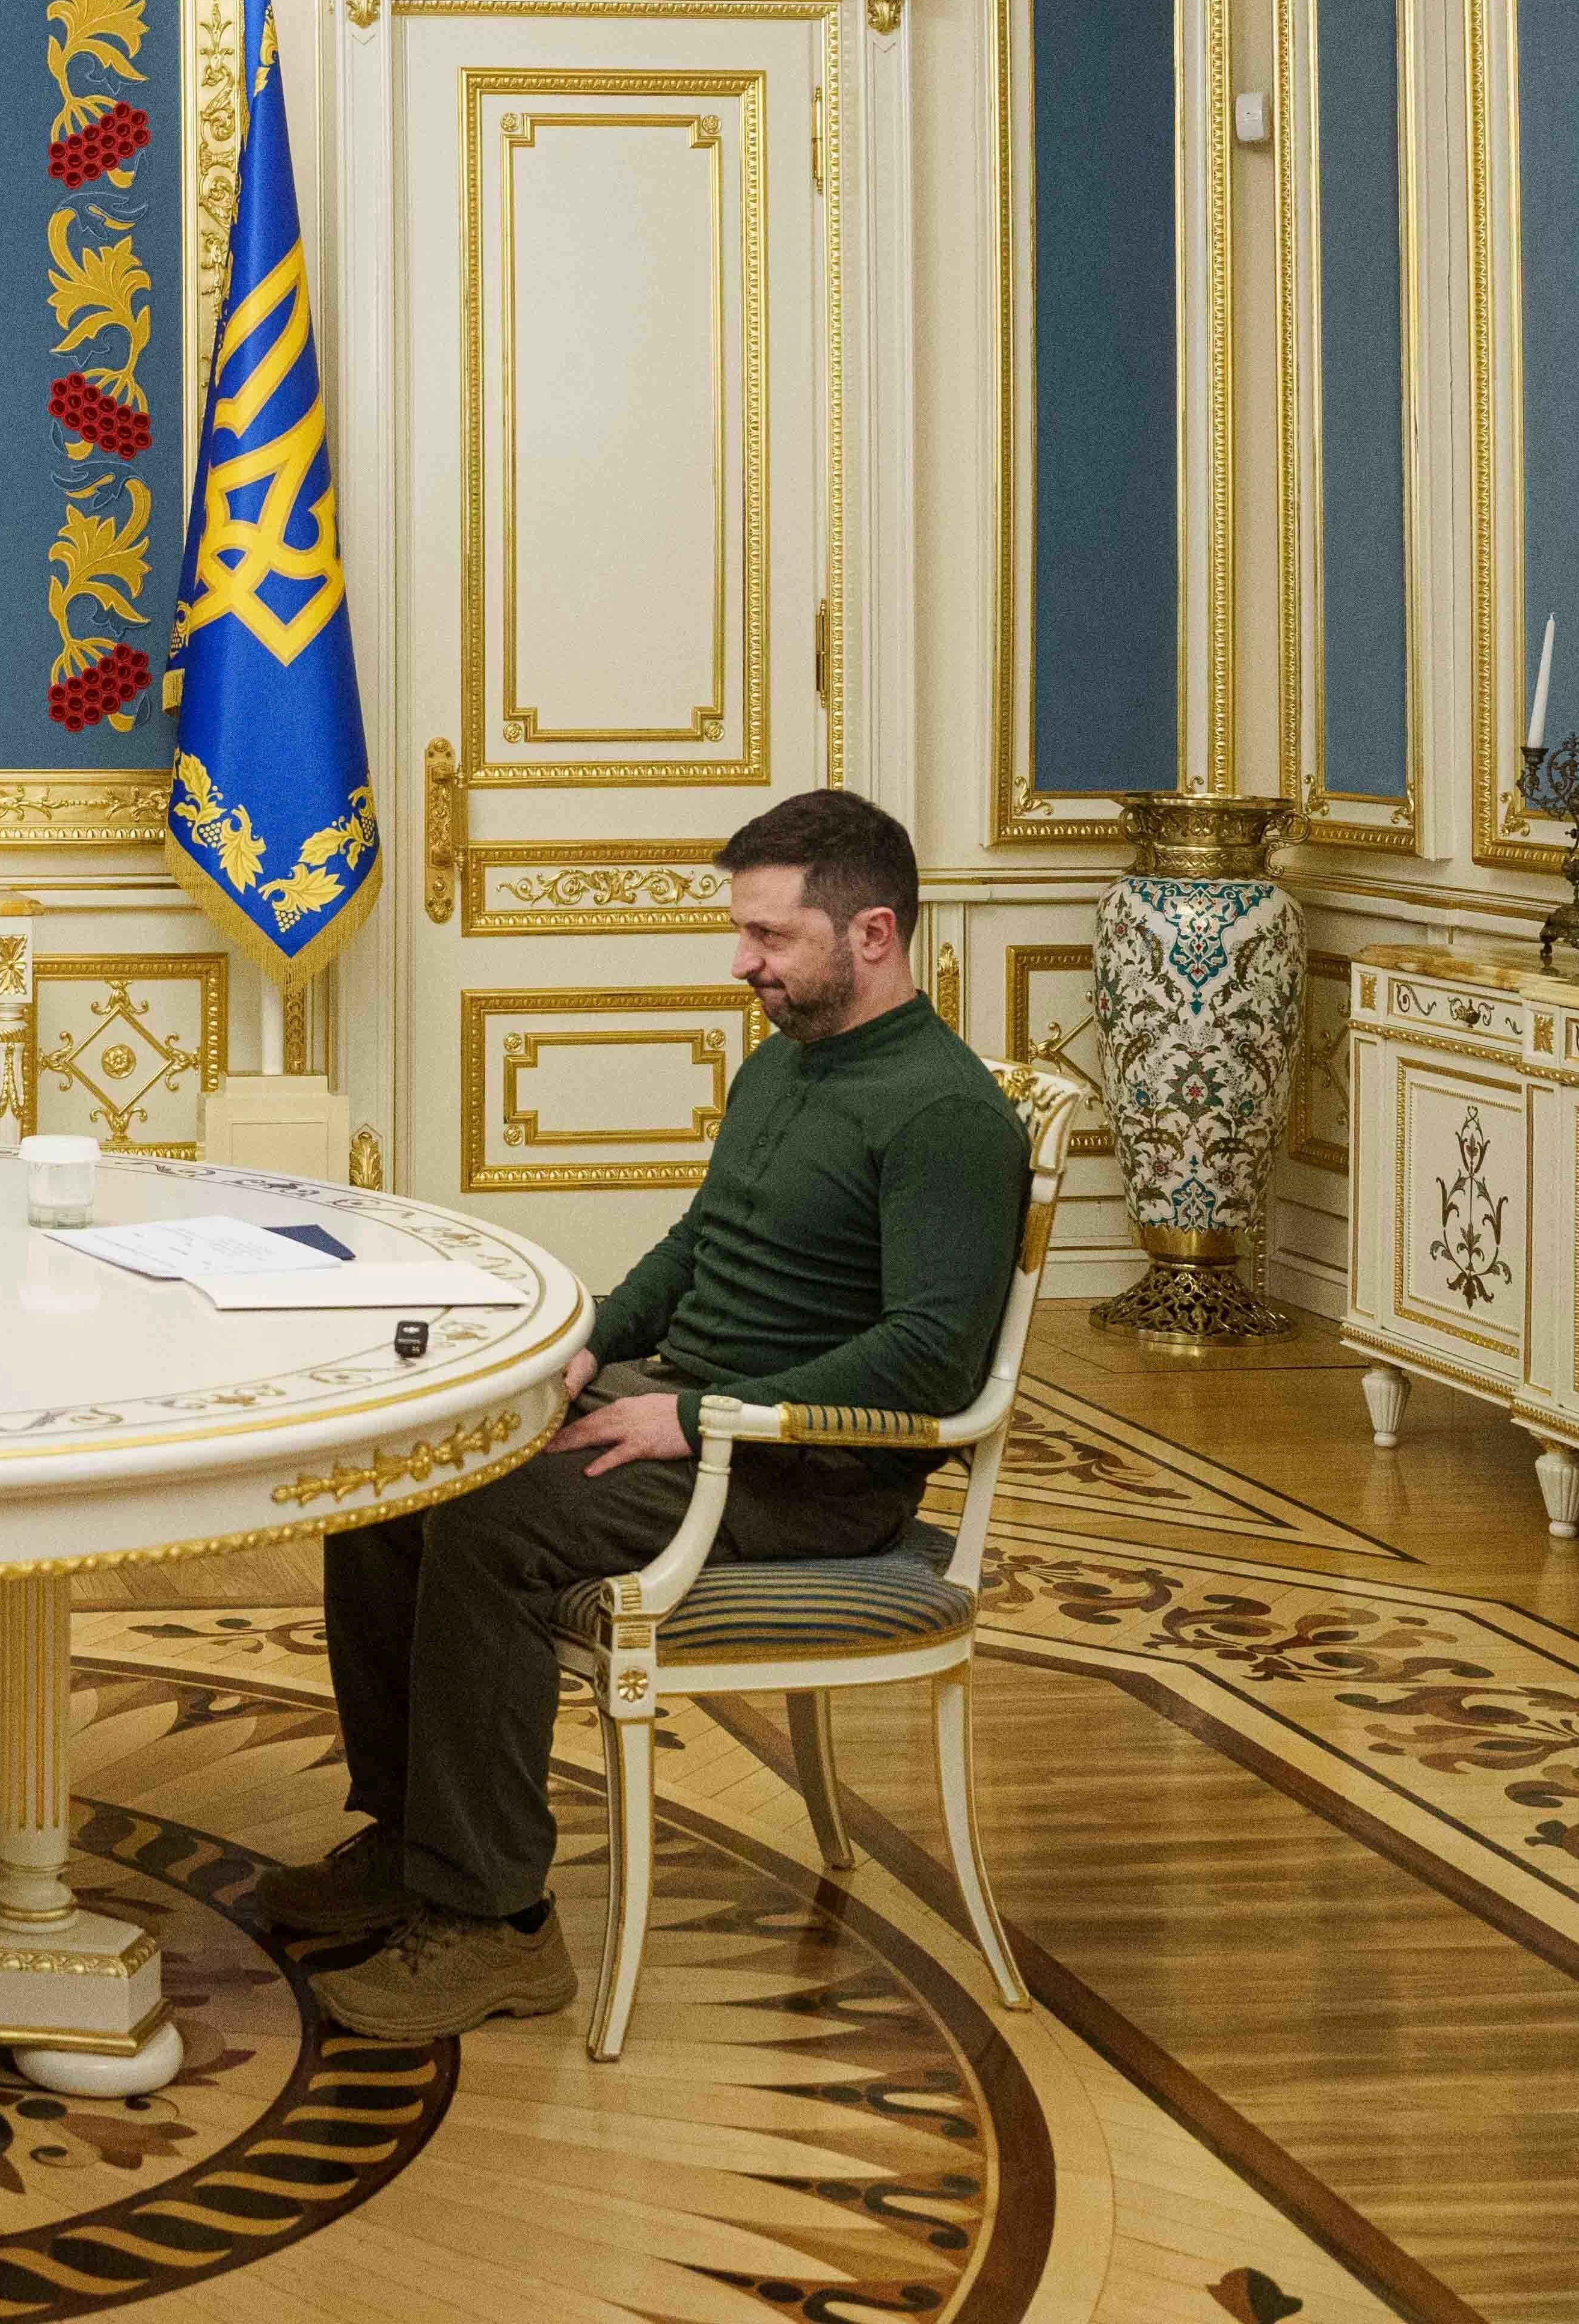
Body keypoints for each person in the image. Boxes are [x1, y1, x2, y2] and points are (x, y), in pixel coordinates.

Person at [281, 787, 1025, 2040]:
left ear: (876, 935)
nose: (745, 965)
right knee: (393, 1472)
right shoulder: (789, 1061)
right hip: (695, 1412)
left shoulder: (944, 1114)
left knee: (490, 1525)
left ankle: (495, 1926)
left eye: (771, 939)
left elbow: (930, 1365)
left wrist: (699, 1418)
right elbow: (699, 1247)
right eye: (744, 935)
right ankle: (413, 1841)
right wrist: (587, 1353)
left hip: (805, 1474)